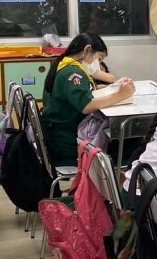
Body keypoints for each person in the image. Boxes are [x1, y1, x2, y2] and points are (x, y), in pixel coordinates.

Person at [41, 33, 135, 167]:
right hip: (68, 142)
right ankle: (115, 179)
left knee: (124, 142)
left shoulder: (66, 64)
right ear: (87, 50)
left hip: (62, 134)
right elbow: (87, 105)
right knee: (129, 145)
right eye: (99, 59)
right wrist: (120, 95)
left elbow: (85, 91)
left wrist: (114, 87)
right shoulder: (72, 73)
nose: (99, 64)